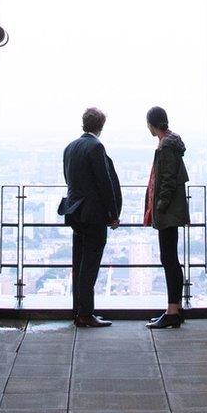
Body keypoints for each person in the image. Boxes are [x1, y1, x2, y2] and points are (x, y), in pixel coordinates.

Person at [59, 106, 121, 327]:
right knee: (90, 265)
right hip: (93, 215)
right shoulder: (96, 147)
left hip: (75, 213)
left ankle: (78, 311)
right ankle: (86, 314)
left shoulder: (70, 147)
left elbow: (69, 179)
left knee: (78, 263)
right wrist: (113, 215)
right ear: (101, 126)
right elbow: (105, 184)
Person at [141, 105, 191, 329]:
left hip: (168, 212)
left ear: (152, 124)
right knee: (170, 258)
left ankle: (172, 311)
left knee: (168, 259)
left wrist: (159, 206)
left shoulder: (167, 146)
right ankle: (175, 309)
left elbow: (168, 180)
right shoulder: (170, 143)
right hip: (171, 210)